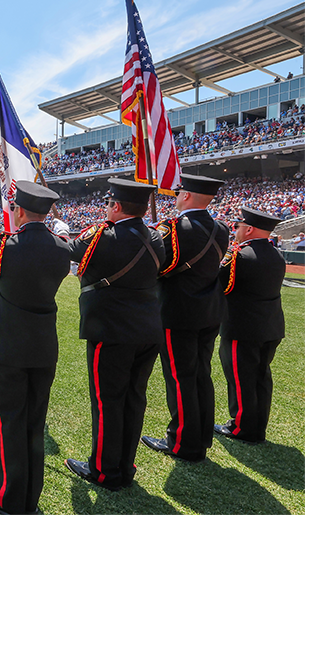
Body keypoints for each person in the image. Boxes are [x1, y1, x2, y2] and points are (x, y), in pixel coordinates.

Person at [0, 181, 71, 515]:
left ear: (19, 210)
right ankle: (29, 497)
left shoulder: (6, 245)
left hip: (8, 345)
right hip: (43, 345)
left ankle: (10, 497)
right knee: (34, 424)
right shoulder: (63, 248)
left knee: (10, 422)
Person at [63, 179, 165, 490]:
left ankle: (105, 471)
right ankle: (125, 464)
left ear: (116, 206)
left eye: (109, 204)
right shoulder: (158, 238)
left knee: (108, 401)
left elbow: (66, 251)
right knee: (135, 399)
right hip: (148, 328)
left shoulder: (102, 236)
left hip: (111, 329)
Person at [141, 173, 231, 463]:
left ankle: (183, 442)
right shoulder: (221, 228)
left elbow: (160, 267)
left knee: (180, 379)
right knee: (201, 375)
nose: (176, 196)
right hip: (210, 310)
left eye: (179, 192)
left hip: (178, 311)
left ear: (187, 196)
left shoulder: (174, 228)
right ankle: (202, 436)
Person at [214, 208, 286, 444]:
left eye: (238, 227)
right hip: (271, 326)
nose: (235, 231)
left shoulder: (240, 256)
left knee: (241, 378)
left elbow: (221, 285)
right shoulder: (276, 254)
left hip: (242, 327)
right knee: (261, 377)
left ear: (249, 229)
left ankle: (242, 427)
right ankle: (257, 427)